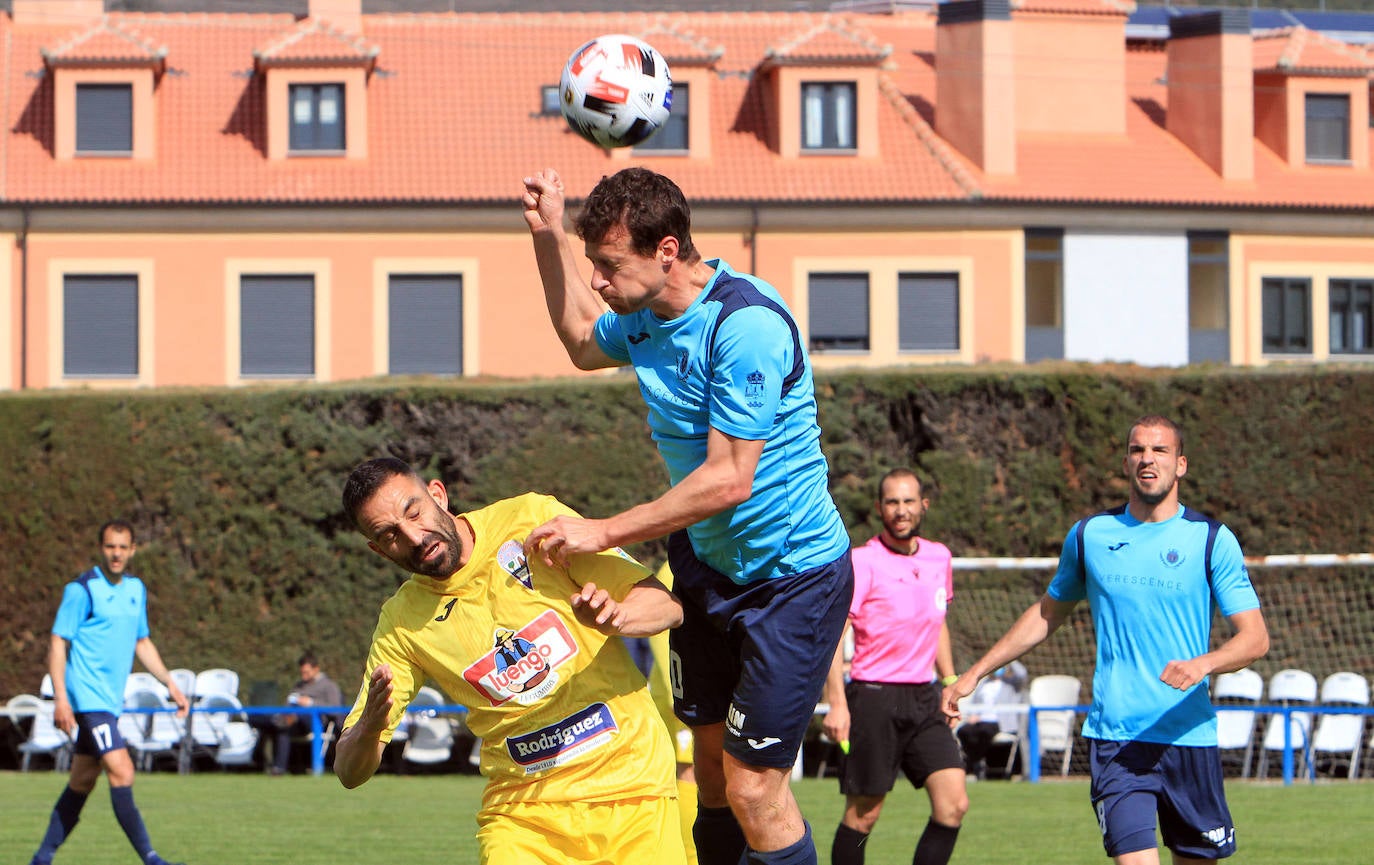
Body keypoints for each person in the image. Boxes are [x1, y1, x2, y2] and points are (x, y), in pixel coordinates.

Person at [521, 166, 854, 865]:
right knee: (707, 776)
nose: (601, 281)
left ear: (667, 250)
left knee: (756, 786)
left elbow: (731, 478)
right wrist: (550, 237)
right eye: (595, 266)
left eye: (610, 265)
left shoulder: (747, 325)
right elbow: (584, 339)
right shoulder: (646, 319)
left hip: (792, 581)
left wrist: (603, 530)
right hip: (706, 569)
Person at [943, 415, 1270, 865]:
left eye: (1160, 451)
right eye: (1138, 450)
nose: (1147, 459)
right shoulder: (1090, 536)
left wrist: (1203, 664)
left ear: (1181, 465)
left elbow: (1254, 639)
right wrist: (974, 674)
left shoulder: (1211, 540)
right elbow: (1046, 614)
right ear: (1126, 462)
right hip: (1117, 738)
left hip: (1188, 736)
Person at [333, 457, 687, 865]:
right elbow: (349, 770)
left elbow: (667, 606)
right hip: (522, 817)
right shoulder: (401, 623)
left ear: (438, 494)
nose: (413, 536)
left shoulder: (530, 520)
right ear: (377, 550)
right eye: (390, 534)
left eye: (414, 512)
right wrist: (371, 724)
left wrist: (618, 617)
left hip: (634, 791)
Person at [821, 469, 969, 865]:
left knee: (953, 804)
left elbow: (938, 622)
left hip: (924, 698)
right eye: (891, 502)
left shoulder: (940, 557)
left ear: (923, 505)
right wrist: (837, 703)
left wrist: (950, 681)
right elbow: (835, 636)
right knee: (864, 814)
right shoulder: (862, 561)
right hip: (873, 697)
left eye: (908, 501)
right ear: (879, 508)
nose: (900, 511)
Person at [30, 520, 189, 865]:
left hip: (108, 703)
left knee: (82, 780)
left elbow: (141, 642)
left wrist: (169, 683)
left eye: (122, 547)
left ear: (132, 550)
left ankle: (41, 858)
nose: (116, 554)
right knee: (122, 770)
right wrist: (61, 697)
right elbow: (58, 643)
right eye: (109, 546)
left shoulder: (136, 589)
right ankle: (152, 859)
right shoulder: (82, 589)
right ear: (101, 548)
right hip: (88, 700)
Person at [268, 650, 343, 776]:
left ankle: (280, 719)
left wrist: (311, 702)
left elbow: (335, 709)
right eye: (302, 672)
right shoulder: (299, 685)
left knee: (291, 717)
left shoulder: (329, 686)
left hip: (315, 721)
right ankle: (279, 769)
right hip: (294, 721)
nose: (303, 676)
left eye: (306, 672)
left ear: (316, 669)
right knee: (284, 728)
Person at [954, 660, 1027, 780]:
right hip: (980, 719)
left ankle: (975, 763)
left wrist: (1011, 657)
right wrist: (973, 715)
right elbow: (975, 703)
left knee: (984, 732)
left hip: (999, 721)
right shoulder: (983, 684)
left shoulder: (1011, 683)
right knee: (963, 731)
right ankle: (977, 762)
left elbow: (1022, 673)